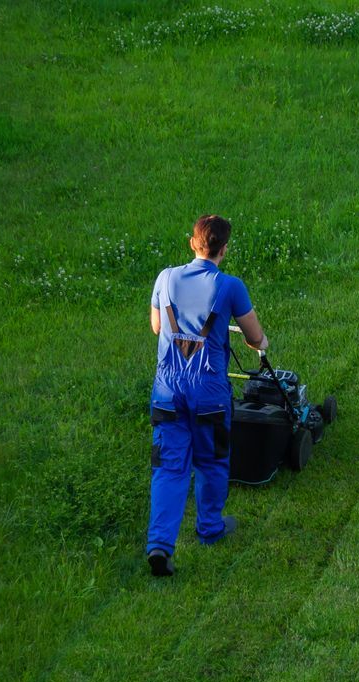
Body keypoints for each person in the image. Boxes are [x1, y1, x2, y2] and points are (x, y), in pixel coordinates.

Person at [145, 214, 267, 577]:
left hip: (167, 392)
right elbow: (254, 336)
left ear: (192, 243)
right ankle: (210, 529)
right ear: (224, 249)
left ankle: (159, 545)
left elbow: (157, 327)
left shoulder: (165, 278)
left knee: (169, 467)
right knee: (211, 461)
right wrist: (259, 344)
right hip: (209, 394)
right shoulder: (230, 286)